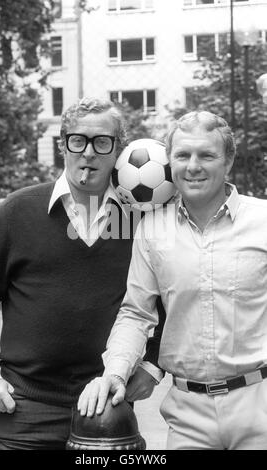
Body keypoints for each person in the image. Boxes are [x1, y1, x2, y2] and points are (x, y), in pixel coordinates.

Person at [0, 98, 165, 450]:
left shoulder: (140, 220)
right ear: (62, 143)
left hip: (110, 406)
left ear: (118, 150)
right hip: (26, 410)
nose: (88, 153)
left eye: (102, 142)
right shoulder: (17, 211)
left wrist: (153, 365)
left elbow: (168, 300)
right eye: (77, 140)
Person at [78, 110, 267, 450]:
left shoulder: (263, 221)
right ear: (170, 163)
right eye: (182, 155)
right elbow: (137, 313)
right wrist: (115, 373)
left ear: (229, 161)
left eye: (206, 155)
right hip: (187, 414)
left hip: (260, 404)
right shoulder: (152, 230)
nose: (193, 166)